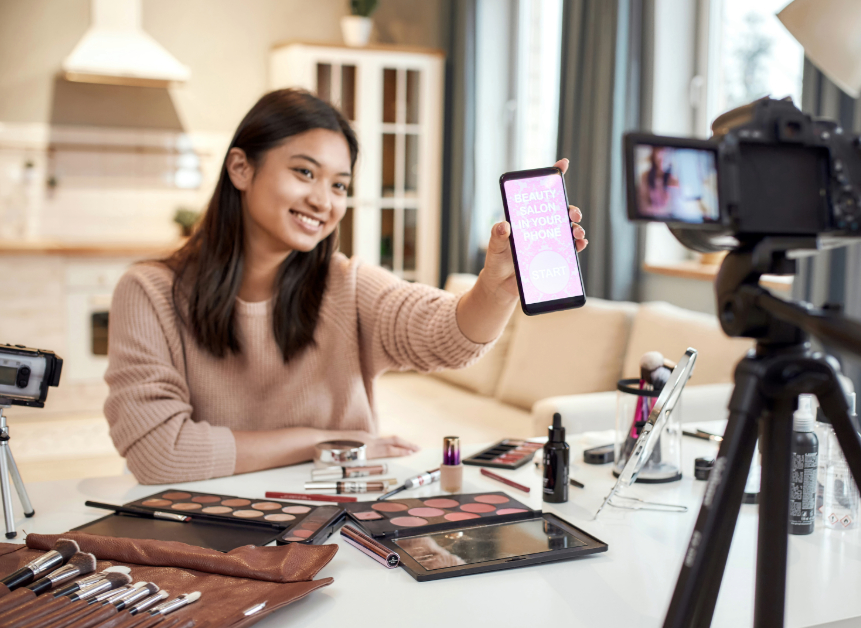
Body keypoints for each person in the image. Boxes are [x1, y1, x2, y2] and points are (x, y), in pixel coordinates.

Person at [104, 89, 589, 484]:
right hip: (209, 525)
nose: (323, 200)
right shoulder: (149, 292)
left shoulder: (346, 285)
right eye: (304, 172)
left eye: (339, 185)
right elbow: (158, 454)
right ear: (240, 168)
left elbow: (445, 334)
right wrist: (327, 442)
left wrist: (496, 289)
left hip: (337, 515)